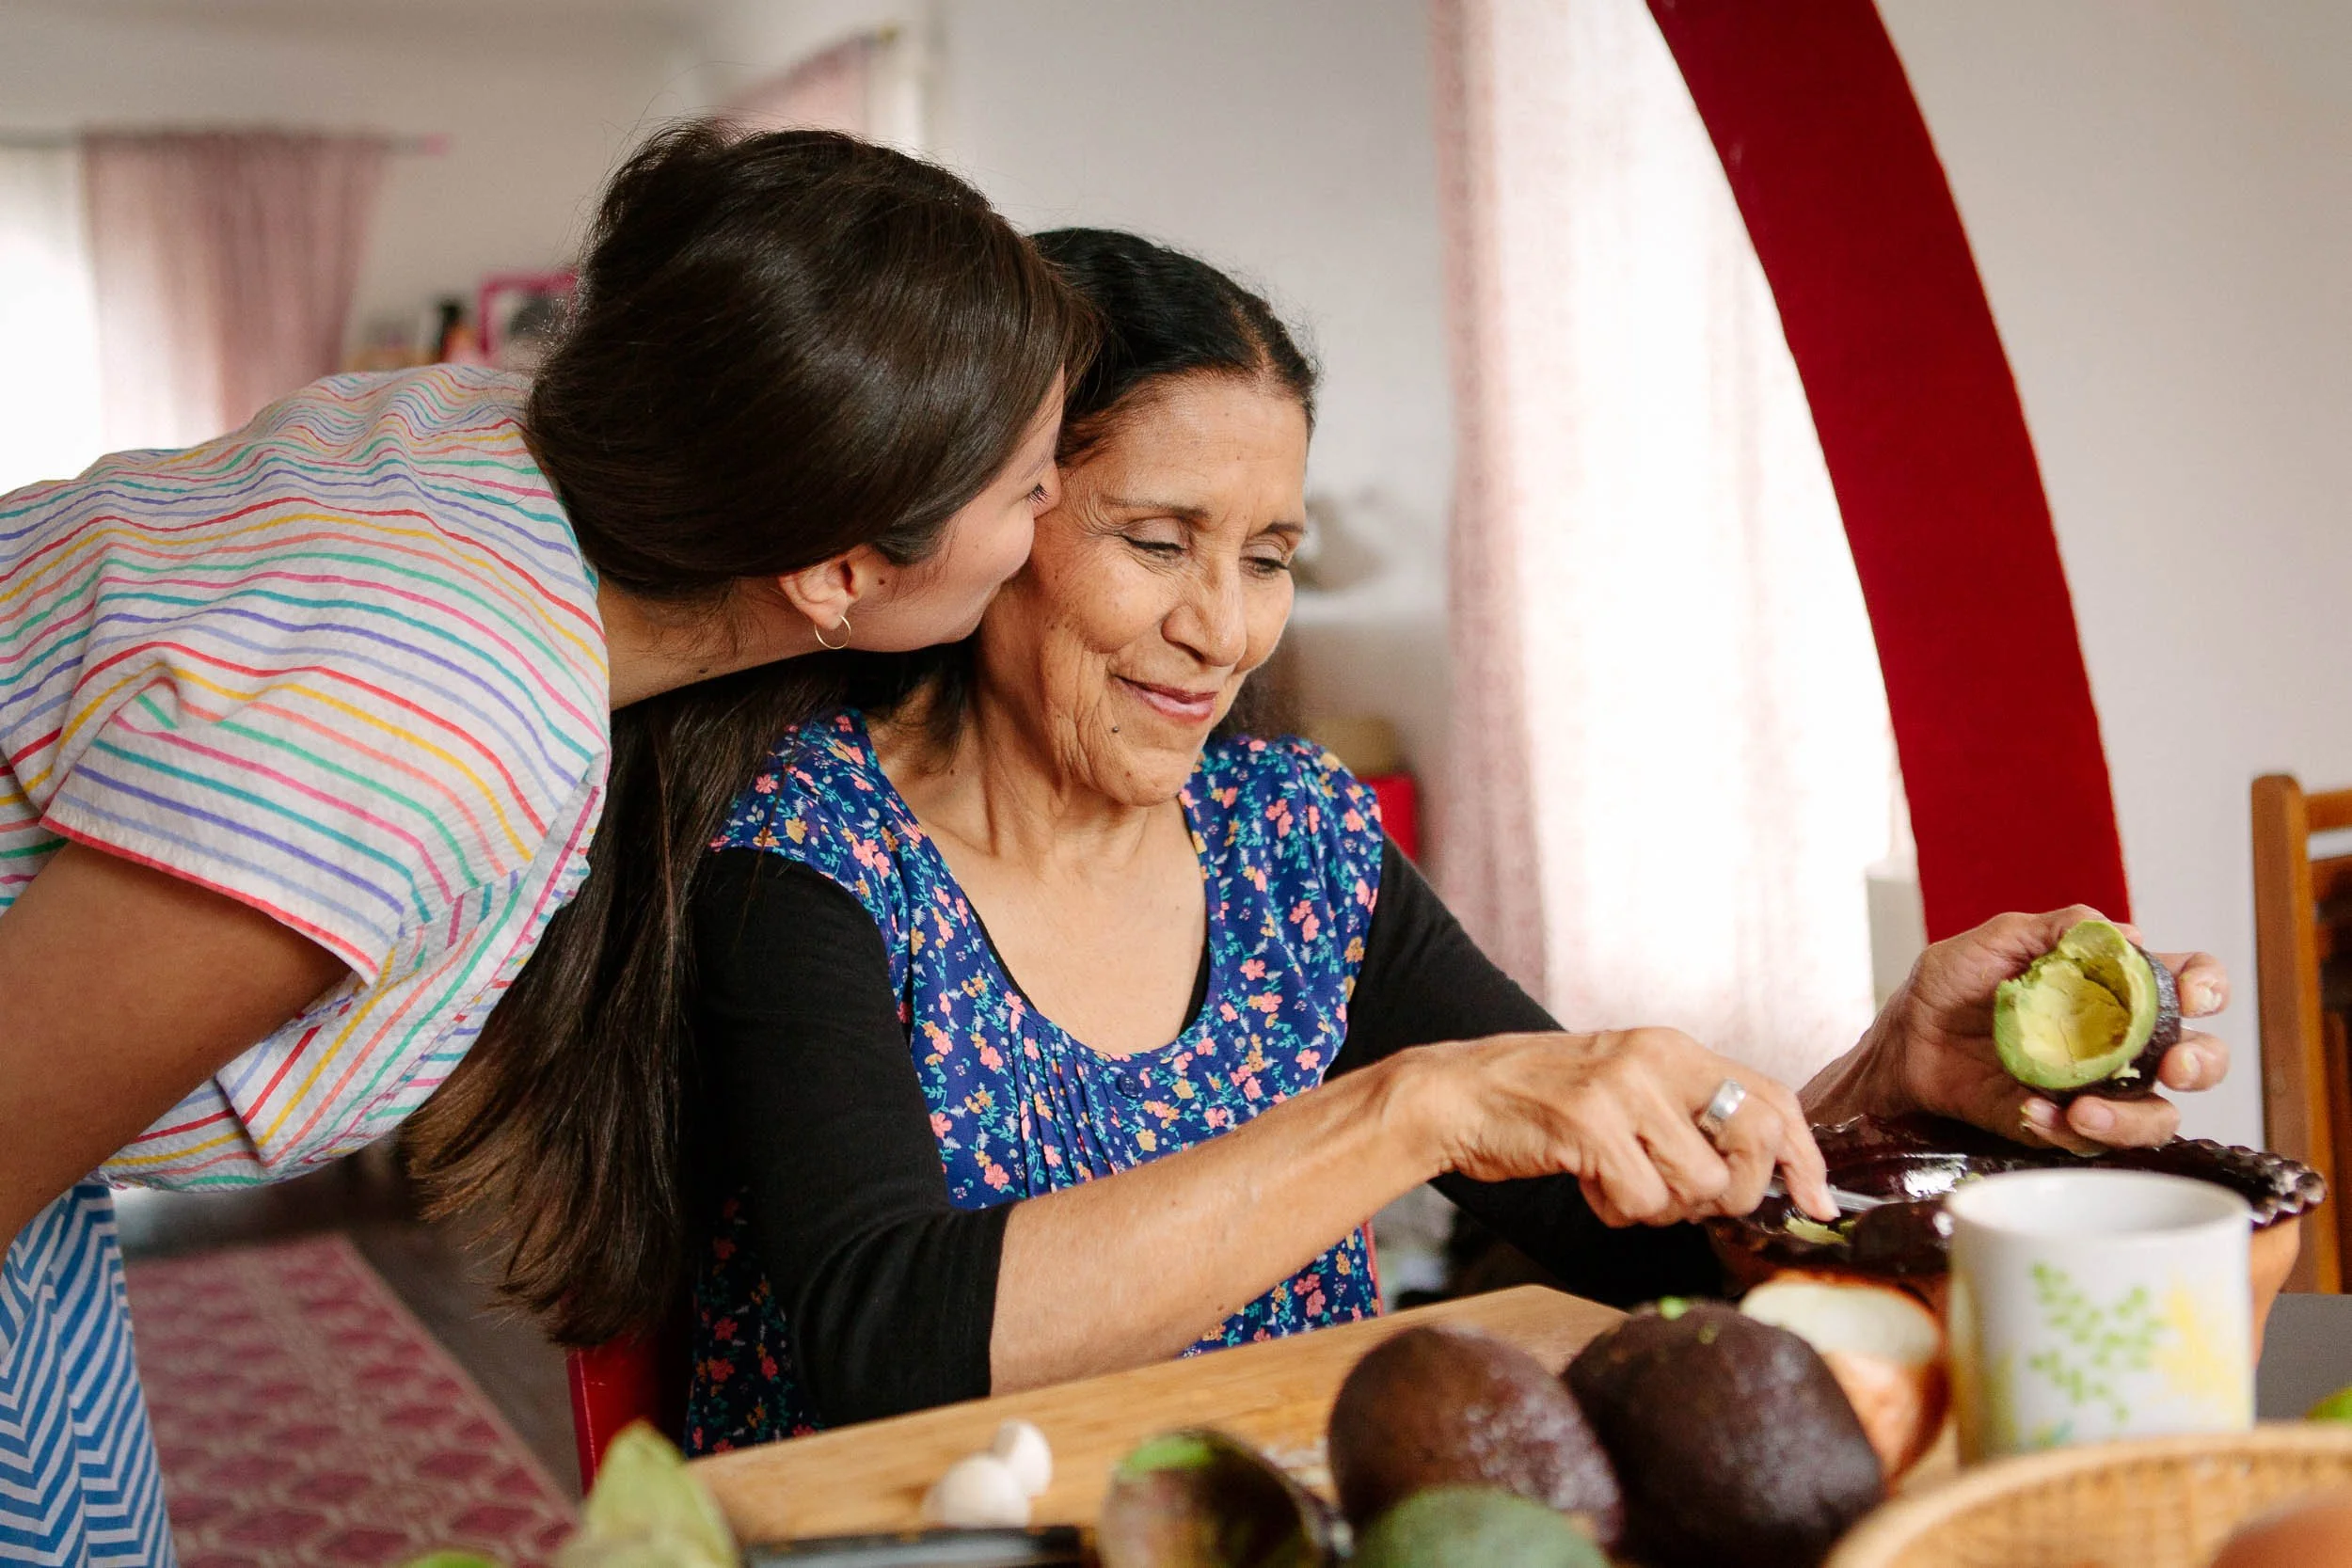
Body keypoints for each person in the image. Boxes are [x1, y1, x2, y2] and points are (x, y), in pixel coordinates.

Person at [664, 230, 2233, 1453]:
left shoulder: (1289, 843)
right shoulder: (808, 848)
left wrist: (1885, 1085)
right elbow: (882, 1337)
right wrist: (1413, 1107)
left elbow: (1629, 1253)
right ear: (998, 522)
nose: (1221, 629)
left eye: (1269, 556)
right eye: (1156, 543)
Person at [0, 124, 1090, 1563]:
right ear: (837, 569)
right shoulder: (424, 730)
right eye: (1026, 487)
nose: (1056, 510)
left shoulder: (503, 439)